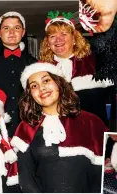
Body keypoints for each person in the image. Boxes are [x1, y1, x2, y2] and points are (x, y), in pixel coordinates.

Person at [11, 62, 107, 192]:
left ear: (59, 83)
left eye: (46, 81)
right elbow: (27, 181)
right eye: (34, 86)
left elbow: (100, 177)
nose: (41, 88)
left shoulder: (91, 122)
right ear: (30, 95)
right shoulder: (26, 129)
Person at [39, 11, 114, 125]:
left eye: (64, 34)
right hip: (57, 131)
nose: (58, 40)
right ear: (48, 43)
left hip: (92, 127)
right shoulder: (41, 68)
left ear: (74, 39)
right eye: (53, 36)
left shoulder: (94, 61)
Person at [0, 11, 37, 137]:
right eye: (6, 28)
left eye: (16, 28)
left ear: (23, 32)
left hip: (29, 128)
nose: (12, 32)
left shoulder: (34, 64)